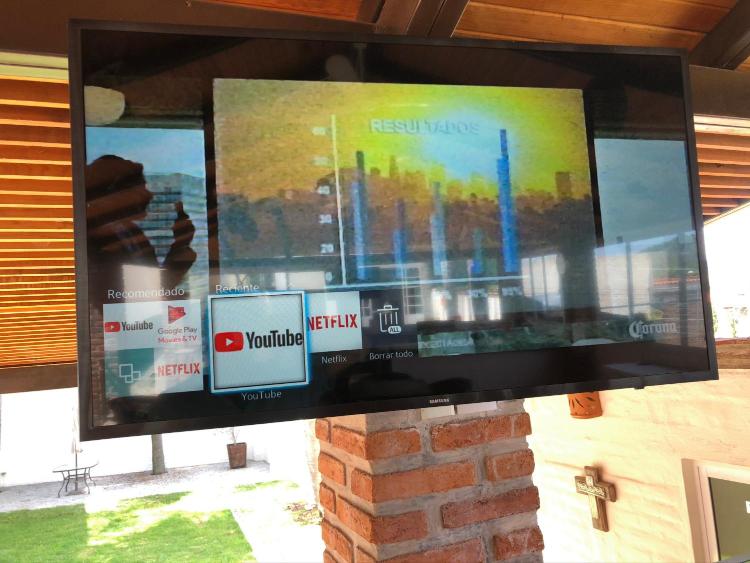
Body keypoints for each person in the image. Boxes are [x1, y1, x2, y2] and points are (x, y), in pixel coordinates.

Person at [86, 155, 196, 293]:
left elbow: (152, 285)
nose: (148, 194)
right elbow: (139, 293)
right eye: (141, 186)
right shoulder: (94, 243)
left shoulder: (130, 232)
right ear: (114, 193)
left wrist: (180, 245)